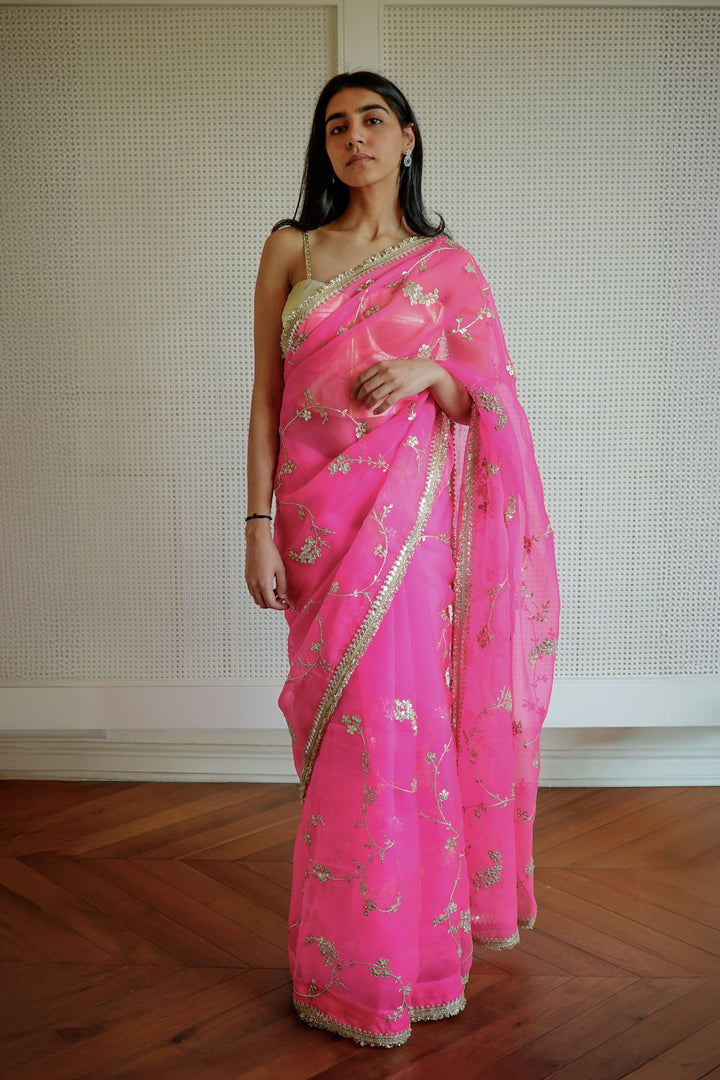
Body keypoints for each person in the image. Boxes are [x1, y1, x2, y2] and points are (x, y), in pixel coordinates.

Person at [245, 71, 559, 1048]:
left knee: (400, 733)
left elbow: (495, 401)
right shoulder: (290, 248)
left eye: (373, 119)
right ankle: (336, 968)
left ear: (408, 138)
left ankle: (412, 964)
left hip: (406, 541)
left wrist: (435, 370)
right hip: (311, 527)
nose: (354, 137)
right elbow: (261, 398)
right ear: (323, 146)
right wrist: (254, 523)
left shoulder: (448, 269)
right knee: (345, 736)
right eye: (335, 125)